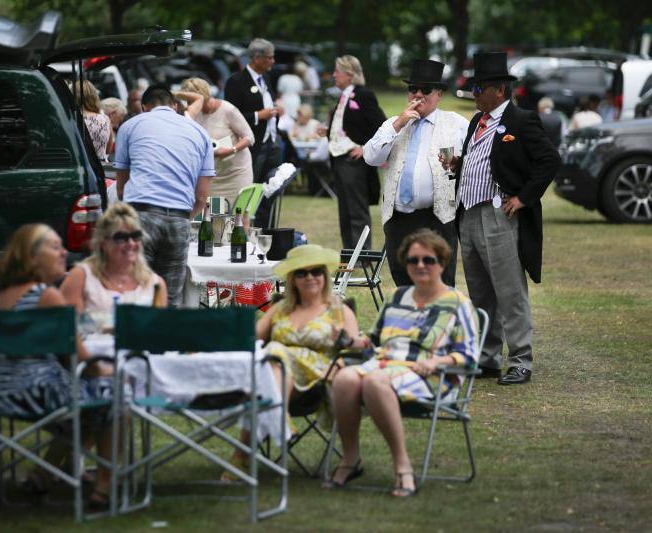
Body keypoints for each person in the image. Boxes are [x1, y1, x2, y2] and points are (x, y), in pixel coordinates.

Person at [328, 229, 479, 496]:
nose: (420, 265)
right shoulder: (397, 298)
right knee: (344, 379)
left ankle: (402, 465)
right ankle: (351, 459)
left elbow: (468, 357)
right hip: (384, 365)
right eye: (413, 260)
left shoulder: (458, 303)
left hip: (431, 375)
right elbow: (372, 342)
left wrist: (436, 363)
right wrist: (349, 341)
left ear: (442, 263)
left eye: (428, 260)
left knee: (374, 382)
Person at [0, 224, 115, 508]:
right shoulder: (47, 296)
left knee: (91, 399)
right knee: (110, 394)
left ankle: (42, 475)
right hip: (34, 391)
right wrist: (108, 372)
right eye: (54, 247)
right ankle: (105, 486)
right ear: (30, 257)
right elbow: (82, 359)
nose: (64, 251)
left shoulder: (1, 297)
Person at [449, 52, 561, 385]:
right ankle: (487, 357)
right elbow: (484, 159)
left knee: (510, 290)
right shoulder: (476, 121)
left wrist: (524, 198)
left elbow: (549, 161)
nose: (474, 93)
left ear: (499, 89)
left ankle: (521, 360)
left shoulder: (521, 120)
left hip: (499, 214)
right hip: (468, 213)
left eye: (479, 87)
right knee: (480, 291)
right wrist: (459, 164)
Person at [222, 244, 361, 481]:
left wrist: (345, 341)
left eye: (316, 271)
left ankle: (242, 455)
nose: (310, 277)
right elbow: (252, 337)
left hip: (317, 381)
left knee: (275, 352)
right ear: (292, 279)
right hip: (281, 380)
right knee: (272, 363)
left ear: (324, 276)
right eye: (301, 272)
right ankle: (278, 420)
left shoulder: (338, 310)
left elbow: (357, 347)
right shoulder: (280, 308)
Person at [363, 59, 468, 287]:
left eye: (426, 89)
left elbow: (473, 164)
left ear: (438, 94)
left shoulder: (456, 123)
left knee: (440, 282)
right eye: (413, 89)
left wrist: (458, 165)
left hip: (438, 217)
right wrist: (398, 124)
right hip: (399, 218)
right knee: (403, 281)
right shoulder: (393, 124)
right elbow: (371, 157)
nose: (418, 95)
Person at [113, 85, 214, 307]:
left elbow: (121, 188)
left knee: (135, 293)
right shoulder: (199, 133)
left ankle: (135, 341)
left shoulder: (130, 126)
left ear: (143, 107)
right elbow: (201, 197)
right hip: (179, 218)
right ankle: (168, 340)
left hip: (140, 214)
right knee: (171, 298)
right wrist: (184, 216)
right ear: (175, 106)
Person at [61, 202, 167, 320]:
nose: (131, 243)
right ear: (103, 243)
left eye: (136, 236)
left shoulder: (155, 284)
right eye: (121, 237)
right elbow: (69, 332)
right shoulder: (81, 277)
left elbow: (159, 333)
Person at [323, 55, 386, 250]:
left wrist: (365, 147)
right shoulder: (343, 97)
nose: (334, 75)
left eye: (337, 71)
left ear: (349, 75)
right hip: (338, 158)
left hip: (354, 160)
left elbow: (380, 124)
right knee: (345, 209)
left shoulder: (363, 95)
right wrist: (327, 131)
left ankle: (362, 254)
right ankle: (349, 251)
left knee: (357, 209)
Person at [224, 38, 283, 229]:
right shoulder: (236, 81)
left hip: (272, 142)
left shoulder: (266, 79)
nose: (272, 61)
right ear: (257, 58)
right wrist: (259, 115)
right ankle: (241, 230)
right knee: (248, 190)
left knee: (269, 189)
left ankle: (264, 230)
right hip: (253, 146)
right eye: (269, 57)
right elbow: (231, 117)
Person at [179, 77, 254, 205]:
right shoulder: (193, 115)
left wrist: (231, 150)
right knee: (212, 216)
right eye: (187, 102)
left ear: (203, 96)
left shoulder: (227, 109)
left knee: (237, 216)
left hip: (237, 173)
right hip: (212, 176)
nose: (189, 105)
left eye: (191, 101)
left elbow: (249, 137)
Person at [71, 80, 111, 161]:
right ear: (94, 97)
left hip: (79, 164)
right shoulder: (105, 119)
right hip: (100, 167)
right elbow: (107, 150)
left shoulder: (71, 118)